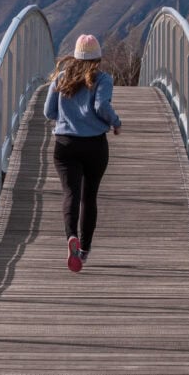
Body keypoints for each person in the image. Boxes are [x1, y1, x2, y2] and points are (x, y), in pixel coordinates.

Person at [44, 33, 122, 272]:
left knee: (70, 193)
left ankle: (71, 237)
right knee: (89, 196)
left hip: (65, 144)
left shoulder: (61, 78)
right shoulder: (103, 79)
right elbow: (100, 106)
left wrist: (67, 119)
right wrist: (115, 122)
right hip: (94, 145)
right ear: (98, 57)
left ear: (75, 56)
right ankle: (84, 250)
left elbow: (49, 112)